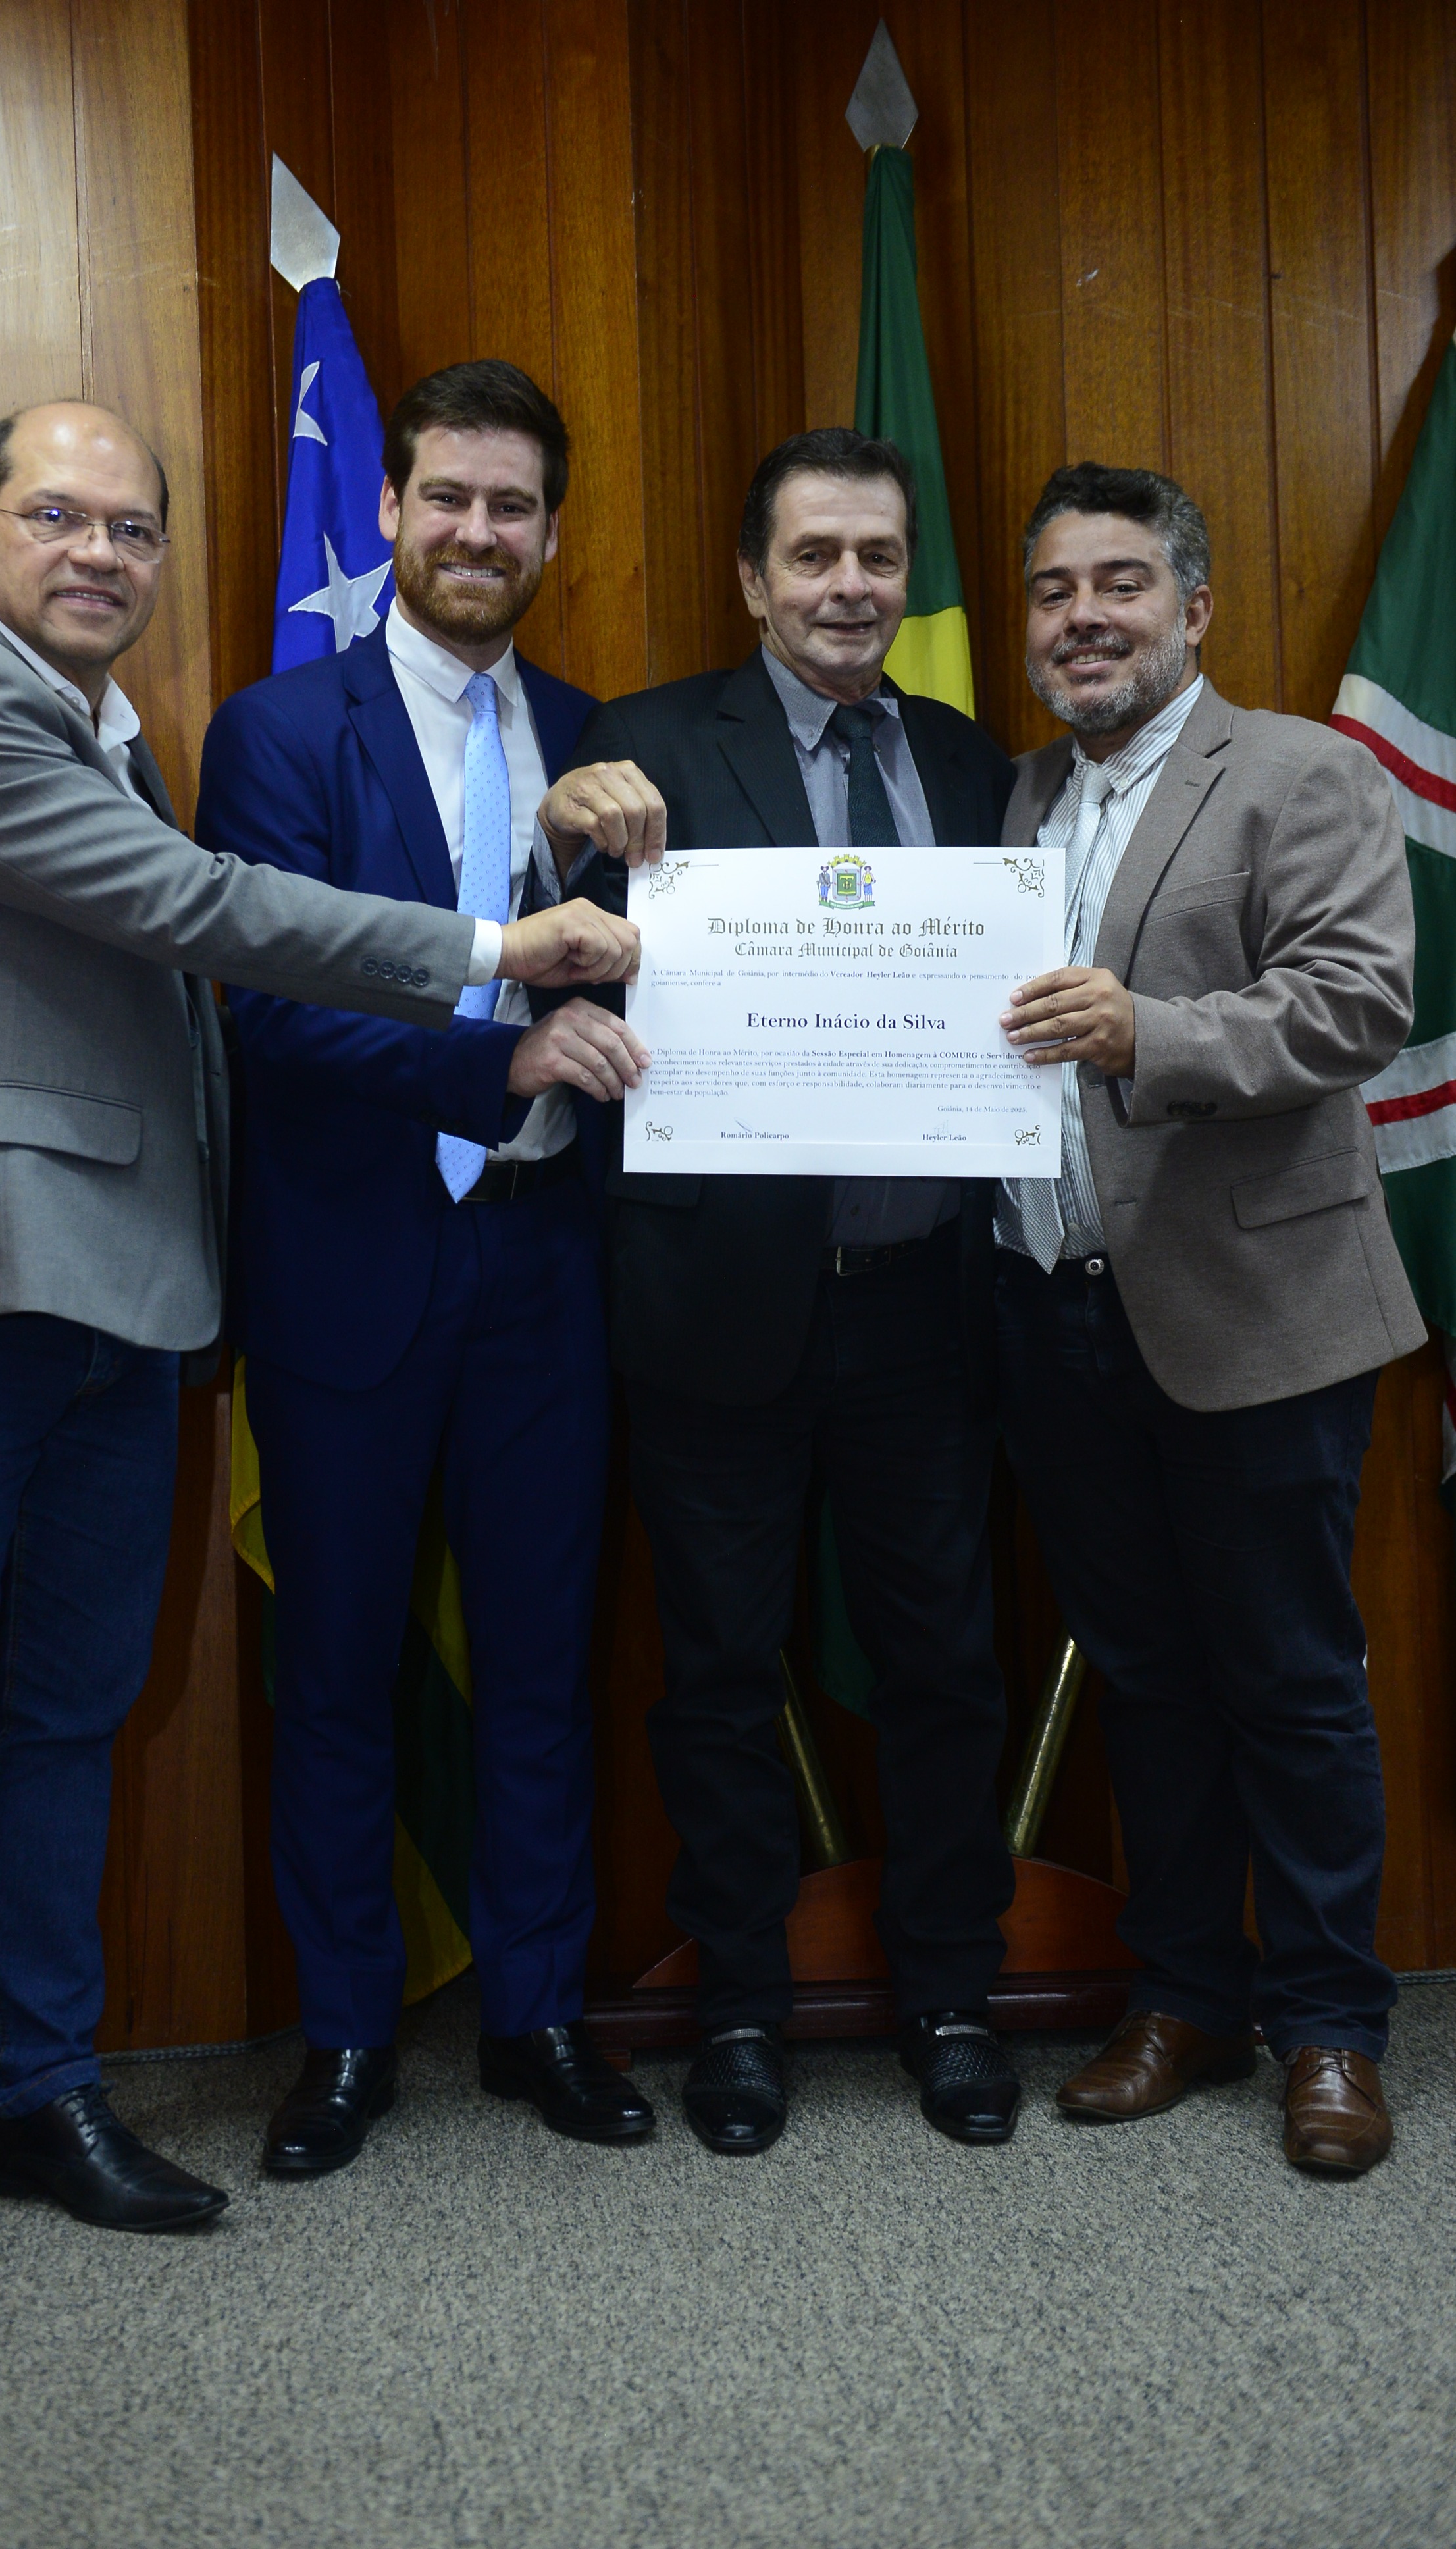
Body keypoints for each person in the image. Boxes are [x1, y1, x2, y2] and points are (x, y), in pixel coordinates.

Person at [0, 398, 638, 2330]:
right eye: (56, 516)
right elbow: (196, 913)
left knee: (68, 1720)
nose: (98, 554)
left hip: (123, 1298)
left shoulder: (109, 723)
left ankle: (34, 2098)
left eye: (133, 529)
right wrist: (496, 950)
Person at [195, 360, 657, 2177]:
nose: (478, 531)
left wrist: (645, 921)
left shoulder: (608, 750)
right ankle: (343, 2037)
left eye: (512, 505)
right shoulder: (276, 734)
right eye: (447, 496)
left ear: (551, 533)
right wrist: (500, 1060)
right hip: (348, 1274)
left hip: (549, 1272)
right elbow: (271, 1004)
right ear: (386, 510)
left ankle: (539, 2015)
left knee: (545, 1664)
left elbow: (671, 995)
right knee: (335, 1676)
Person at [547, 427, 1020, 2156]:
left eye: (878, 556)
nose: (848, 587)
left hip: (924, 1304)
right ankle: (742, 2005)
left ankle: (951, 1996)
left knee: (945, 1664)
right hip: (716, 1304)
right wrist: (561, 838)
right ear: (754, 580)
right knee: (721, 1675)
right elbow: (540, 951)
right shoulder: (643, 747)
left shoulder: (973, 765)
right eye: (813, 555)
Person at [992, 461, 1421, 2176]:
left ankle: (1331, 2028)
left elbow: (1356, 1002)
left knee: (1291, 1680)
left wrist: (1147, 1033)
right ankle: (1185, 1997)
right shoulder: (1022, 796)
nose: (1083, 618)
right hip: (1058, 1315)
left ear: (1195, 607)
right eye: (1053, 592)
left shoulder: (1302, 770)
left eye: (1119, 584)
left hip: (1256, 1308)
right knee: (1149, 1681)